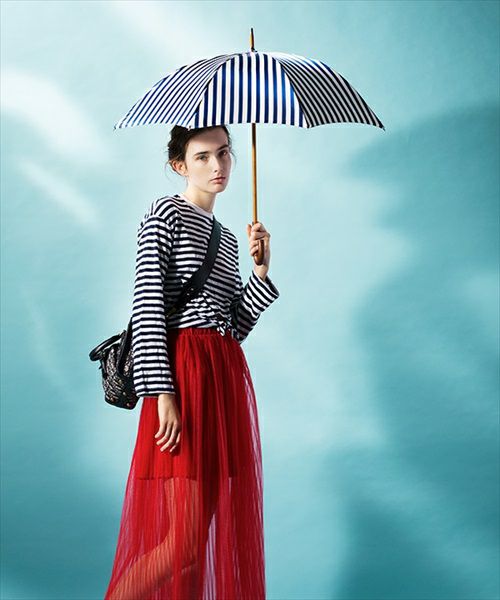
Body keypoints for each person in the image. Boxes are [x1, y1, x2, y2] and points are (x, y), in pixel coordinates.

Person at [103, 124, 280, 599]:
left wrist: (260, 272)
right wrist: (162, 394)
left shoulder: (226, 237)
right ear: (179, 165)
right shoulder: (165, 213)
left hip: (221, 376)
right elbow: (148, 305)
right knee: (180, 544)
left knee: (196, 546)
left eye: (224, 153)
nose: (218, 165)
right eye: (202, 157)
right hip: (182, 376)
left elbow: (232, 326)